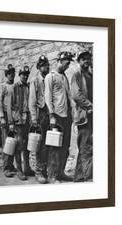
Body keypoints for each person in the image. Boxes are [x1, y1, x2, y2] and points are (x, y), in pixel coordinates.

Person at [44, 51, 74, 183]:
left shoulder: (64, 76)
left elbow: (68, 96)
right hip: (56, 116)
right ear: (60, 61)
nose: (67, 67)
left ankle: (61, 172)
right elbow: (48, 96)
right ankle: (52, 175)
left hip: (66, 116)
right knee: (54, 148)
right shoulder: (50, 77)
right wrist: (51, 116)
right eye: (66, 64)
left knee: (65, 146)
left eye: (68, 64)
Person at [70, 51, 93, 182]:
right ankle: (83, 176)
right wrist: (90, 106)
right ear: (79, 61)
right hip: (83, 117)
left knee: (88, 146)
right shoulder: (76, 75)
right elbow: (76, 95)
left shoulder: (90, 75)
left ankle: (80, 175)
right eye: (83, 59)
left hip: (92, 116)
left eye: (88, 59)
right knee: (84, 146)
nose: (86, 61)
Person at [8, 66, 32, 180]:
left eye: (27, 74)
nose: (25, 76)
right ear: (19, 75)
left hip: (27, 119)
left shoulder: (29, 86)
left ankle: (27, 168)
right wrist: (11, 122)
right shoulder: (15, 87)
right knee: (18, 146)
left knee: (27, 145)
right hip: (18, 120)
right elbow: (9, 106)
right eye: (23, 74)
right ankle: (19, 170)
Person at [29, 55, 50, 184]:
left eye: (46, 65)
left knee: (48, 143)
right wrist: (34, 118)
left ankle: (46, 169)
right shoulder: (35, 80)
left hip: (49, 113)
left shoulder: (49, 78)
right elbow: (32, 100)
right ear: (39, 67)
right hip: (40, 113)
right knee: (39, 144)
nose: (45, 67)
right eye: (42, 65)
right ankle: (39, 171)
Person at [0, 64, 16, 177]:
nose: (11, 75)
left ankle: (11, 164)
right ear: (6, 74)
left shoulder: (15, 86)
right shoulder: (2, 86)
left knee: (13, 142)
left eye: (12, 73)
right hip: (5, 116)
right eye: (9, 73)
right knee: (6, 142)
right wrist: (2, 117)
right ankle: (5, 167)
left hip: (13, 117)